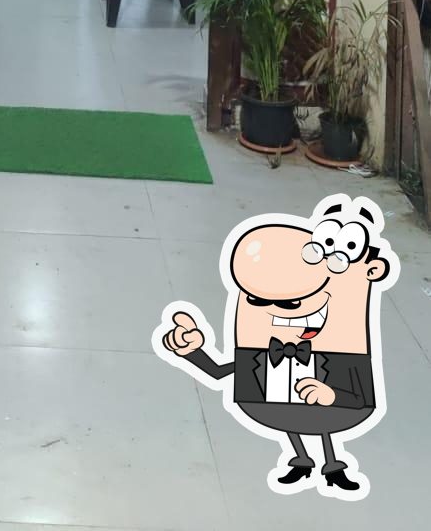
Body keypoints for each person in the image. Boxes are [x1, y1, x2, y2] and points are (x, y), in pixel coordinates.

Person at [153, 194, 399, 499]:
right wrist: (192, 350)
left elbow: (360, 399)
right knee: (290, 419)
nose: (282, 309)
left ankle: (333, 466)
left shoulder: (346, 355)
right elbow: (217, 373)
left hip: (330, 411)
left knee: (321, 422)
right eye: (257, 300)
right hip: (274, 409)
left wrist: (332, 395)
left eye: (292, 302)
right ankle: (301, 459)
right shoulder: (259, 351)